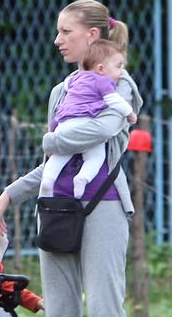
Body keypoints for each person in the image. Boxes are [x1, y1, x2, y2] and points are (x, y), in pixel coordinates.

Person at [0, 0, 151, 317]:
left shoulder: (118, 80)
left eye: (66, 32)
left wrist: (51, 138)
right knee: (60, 315)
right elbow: (58, 160)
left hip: (104, 206)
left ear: (92, 35)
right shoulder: (60, 93)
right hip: (57, 206)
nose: (57, 40)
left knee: (104, 310)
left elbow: (103, 130)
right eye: (58, 31)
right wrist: (11, 193)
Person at [41, 39, 137, 199]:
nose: (121, 72)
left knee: (59, 156)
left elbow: (66, 88)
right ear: (101, 68)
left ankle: (47, 180)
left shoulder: (75, 79)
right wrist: (130, 113)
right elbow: (114, 100)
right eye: (118, 67)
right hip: (85, 120)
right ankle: (83, 178)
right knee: (95, 156)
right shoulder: (103, 81)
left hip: (64, 122)